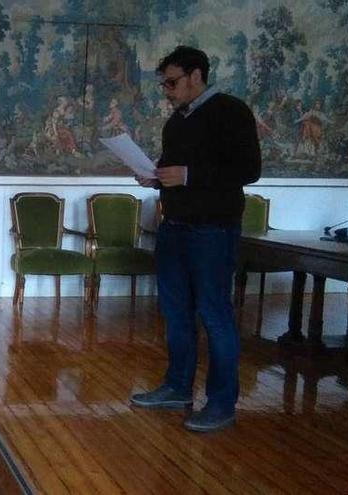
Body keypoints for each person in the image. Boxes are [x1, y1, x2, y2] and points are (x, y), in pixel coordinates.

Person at [130, 46, 261, 432]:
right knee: (175, 313)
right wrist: (154, 176)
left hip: (213, 230)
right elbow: (176, 170)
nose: (167, 91)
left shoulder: (231, 111)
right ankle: (177, 387)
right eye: (164, 84)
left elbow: (248, 170)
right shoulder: (177, 122)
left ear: (196, 76)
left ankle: (222, 403)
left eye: (172, 82)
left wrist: (187, 176)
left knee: (215, 315)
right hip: (175, 227)